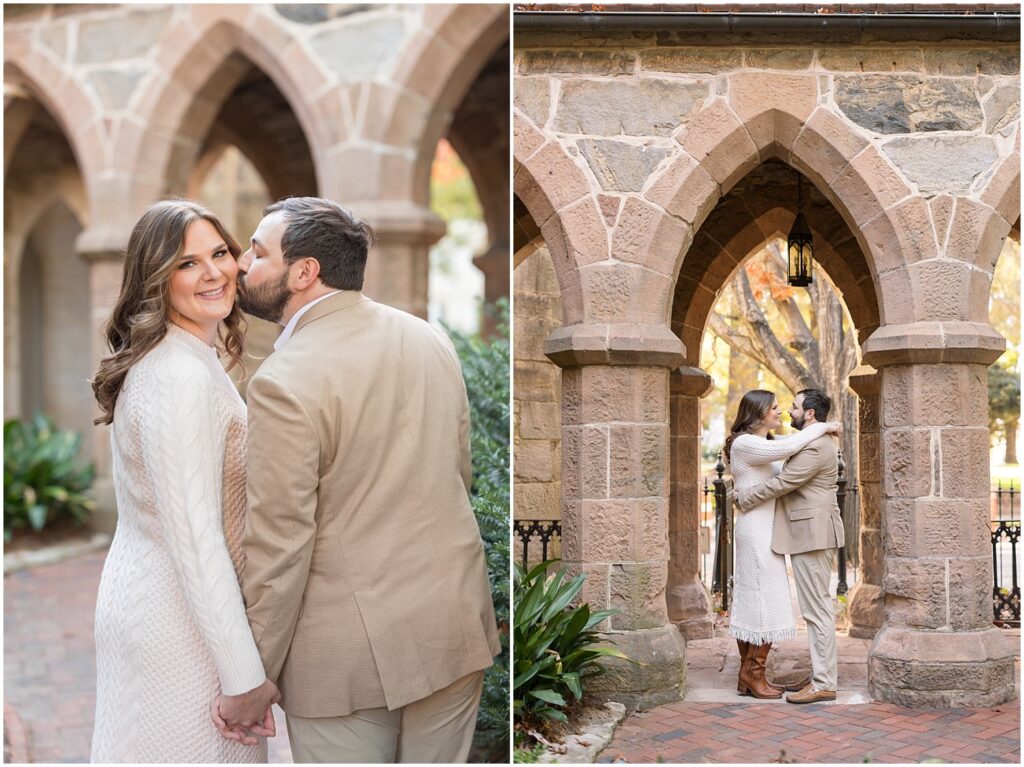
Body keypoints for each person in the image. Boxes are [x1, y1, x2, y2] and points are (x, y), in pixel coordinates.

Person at [215, 197, 501, 763]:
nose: (242, 265)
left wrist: (256, 674)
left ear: (304, 272)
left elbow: (279, 541)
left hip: (345, 658)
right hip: (453, 626)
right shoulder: (429, 339)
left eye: (257, 250)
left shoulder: (282, 380)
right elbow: (457, 475)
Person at [90, 200, 277, 763]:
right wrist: (243, 676)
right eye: (187, 263)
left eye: (220, 252)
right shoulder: (177, 378)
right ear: (155, 279)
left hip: (161, 603)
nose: (215, 271)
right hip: (180, 627)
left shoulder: (185, 360)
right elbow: (196, 539)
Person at [724, 390, 841, 701]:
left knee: (766, 598)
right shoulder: (748, 443)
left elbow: (784, 476)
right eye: (776, 407)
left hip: (774, 526)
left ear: (810, 414)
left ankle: (754, 673)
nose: (784, 412)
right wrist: (825, 426)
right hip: (757, 527)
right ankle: (752, 673)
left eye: (790, 407)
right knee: (759, 598)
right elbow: (788, 456)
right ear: (759, 413)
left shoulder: (773, 445)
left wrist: (745, 496)